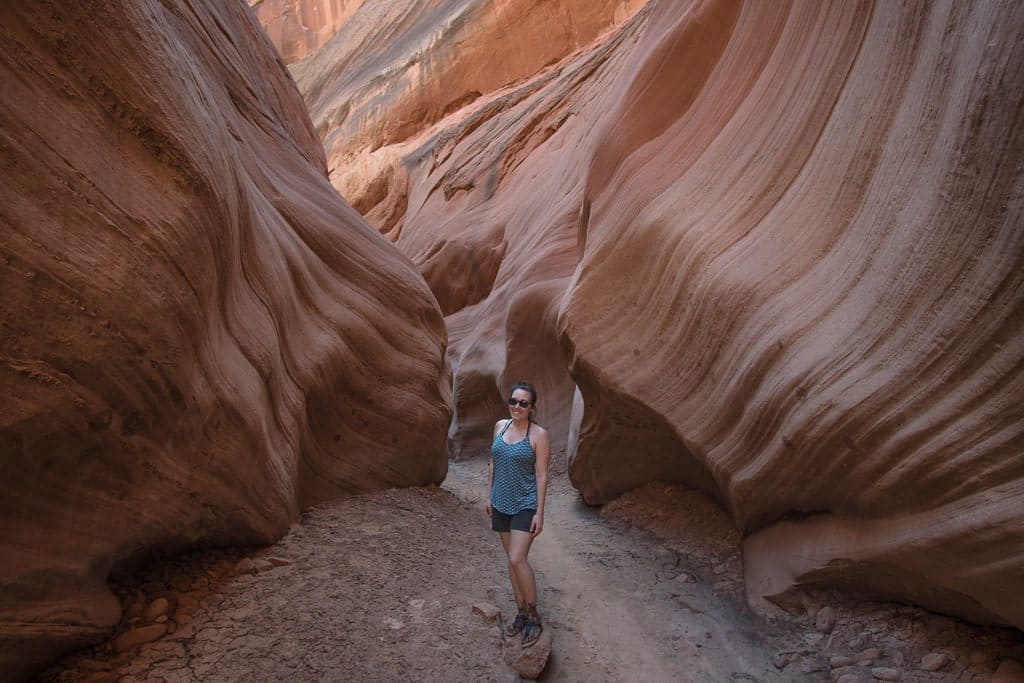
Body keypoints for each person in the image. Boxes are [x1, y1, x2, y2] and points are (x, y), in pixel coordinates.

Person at [486, 381, 550, 646]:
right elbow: (493, 462)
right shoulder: (501, 426)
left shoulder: (538, 435)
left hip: (525, 503)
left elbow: (542, 474)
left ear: (531, 407)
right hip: (500, 502)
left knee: (517, 558)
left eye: (523, 403)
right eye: (514, 401)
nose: (517, 407)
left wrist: (540, 512)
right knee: (510, 561)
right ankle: (521, 612)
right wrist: (488, 495)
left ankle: (534, 617)